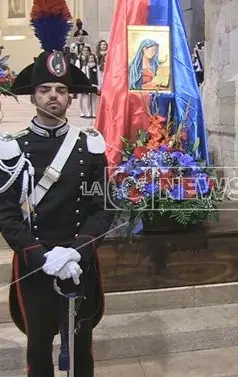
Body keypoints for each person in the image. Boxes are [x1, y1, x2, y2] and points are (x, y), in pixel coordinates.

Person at [0, 2, 114, 376]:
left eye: (61, 89)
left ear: (70, 96)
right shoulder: (11, 148)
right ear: (33, 95)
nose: (53, 96)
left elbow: (103, 207)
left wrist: (76, 250)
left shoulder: (90, 145)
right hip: (36, 264)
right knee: (38, 350)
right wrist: (40, 255)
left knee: (81, 350)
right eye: (45, 89)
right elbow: (7, 214)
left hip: (79, 263)